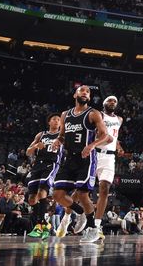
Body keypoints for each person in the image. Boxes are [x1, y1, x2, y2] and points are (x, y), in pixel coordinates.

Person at [51, 85, 113, 244]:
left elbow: (106, 135)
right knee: (57, 195)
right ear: (75, 95)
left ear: (89, 98)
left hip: (86, 159)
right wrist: (58, 141)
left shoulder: (93, 114)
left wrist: (92, 145)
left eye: (88, 92)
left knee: (83, 193)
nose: (85, 93)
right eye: (82, 91)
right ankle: (80, 213)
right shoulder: (65, 115)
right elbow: (62, 135)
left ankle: (92, 229)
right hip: (69, 159)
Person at [25, 113, 62, 239]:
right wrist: (36, 146)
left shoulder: (62, 135)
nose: (57, 121)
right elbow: (28, 152)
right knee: (31, 199)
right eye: (54, 119)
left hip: (51, 164)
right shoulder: (41, 135)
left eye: (59, 120)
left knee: (42, 192)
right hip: (37, 165)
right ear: (49, 122)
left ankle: (39, 225)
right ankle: (45, 224)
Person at [93, 95, 124, 242]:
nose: (113, 102)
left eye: (115, 101)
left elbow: (114, 136)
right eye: (110, 100)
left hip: (109, 157)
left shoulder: (119, 119)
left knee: (104, 188)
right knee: (81, 189)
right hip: (94, 153)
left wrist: (118, 146)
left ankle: (97, 226)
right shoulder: (97, 115)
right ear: (104, 103)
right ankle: (68, 217)